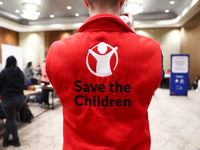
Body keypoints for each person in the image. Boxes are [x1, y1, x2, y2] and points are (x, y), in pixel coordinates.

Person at [46, 0, 164, 149]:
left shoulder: (58, 51)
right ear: (122, 1)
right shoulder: (150, 50)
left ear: (85, 2)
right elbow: (151, 84)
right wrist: (132, 35)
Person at [0, 56, 25, 147]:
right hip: (20, 98)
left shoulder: (4, 72)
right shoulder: (20, 72)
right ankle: (5, 139)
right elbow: (23, 84)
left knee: (11, 119)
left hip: (8, 99)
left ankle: (16, 140)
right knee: (11, 119)